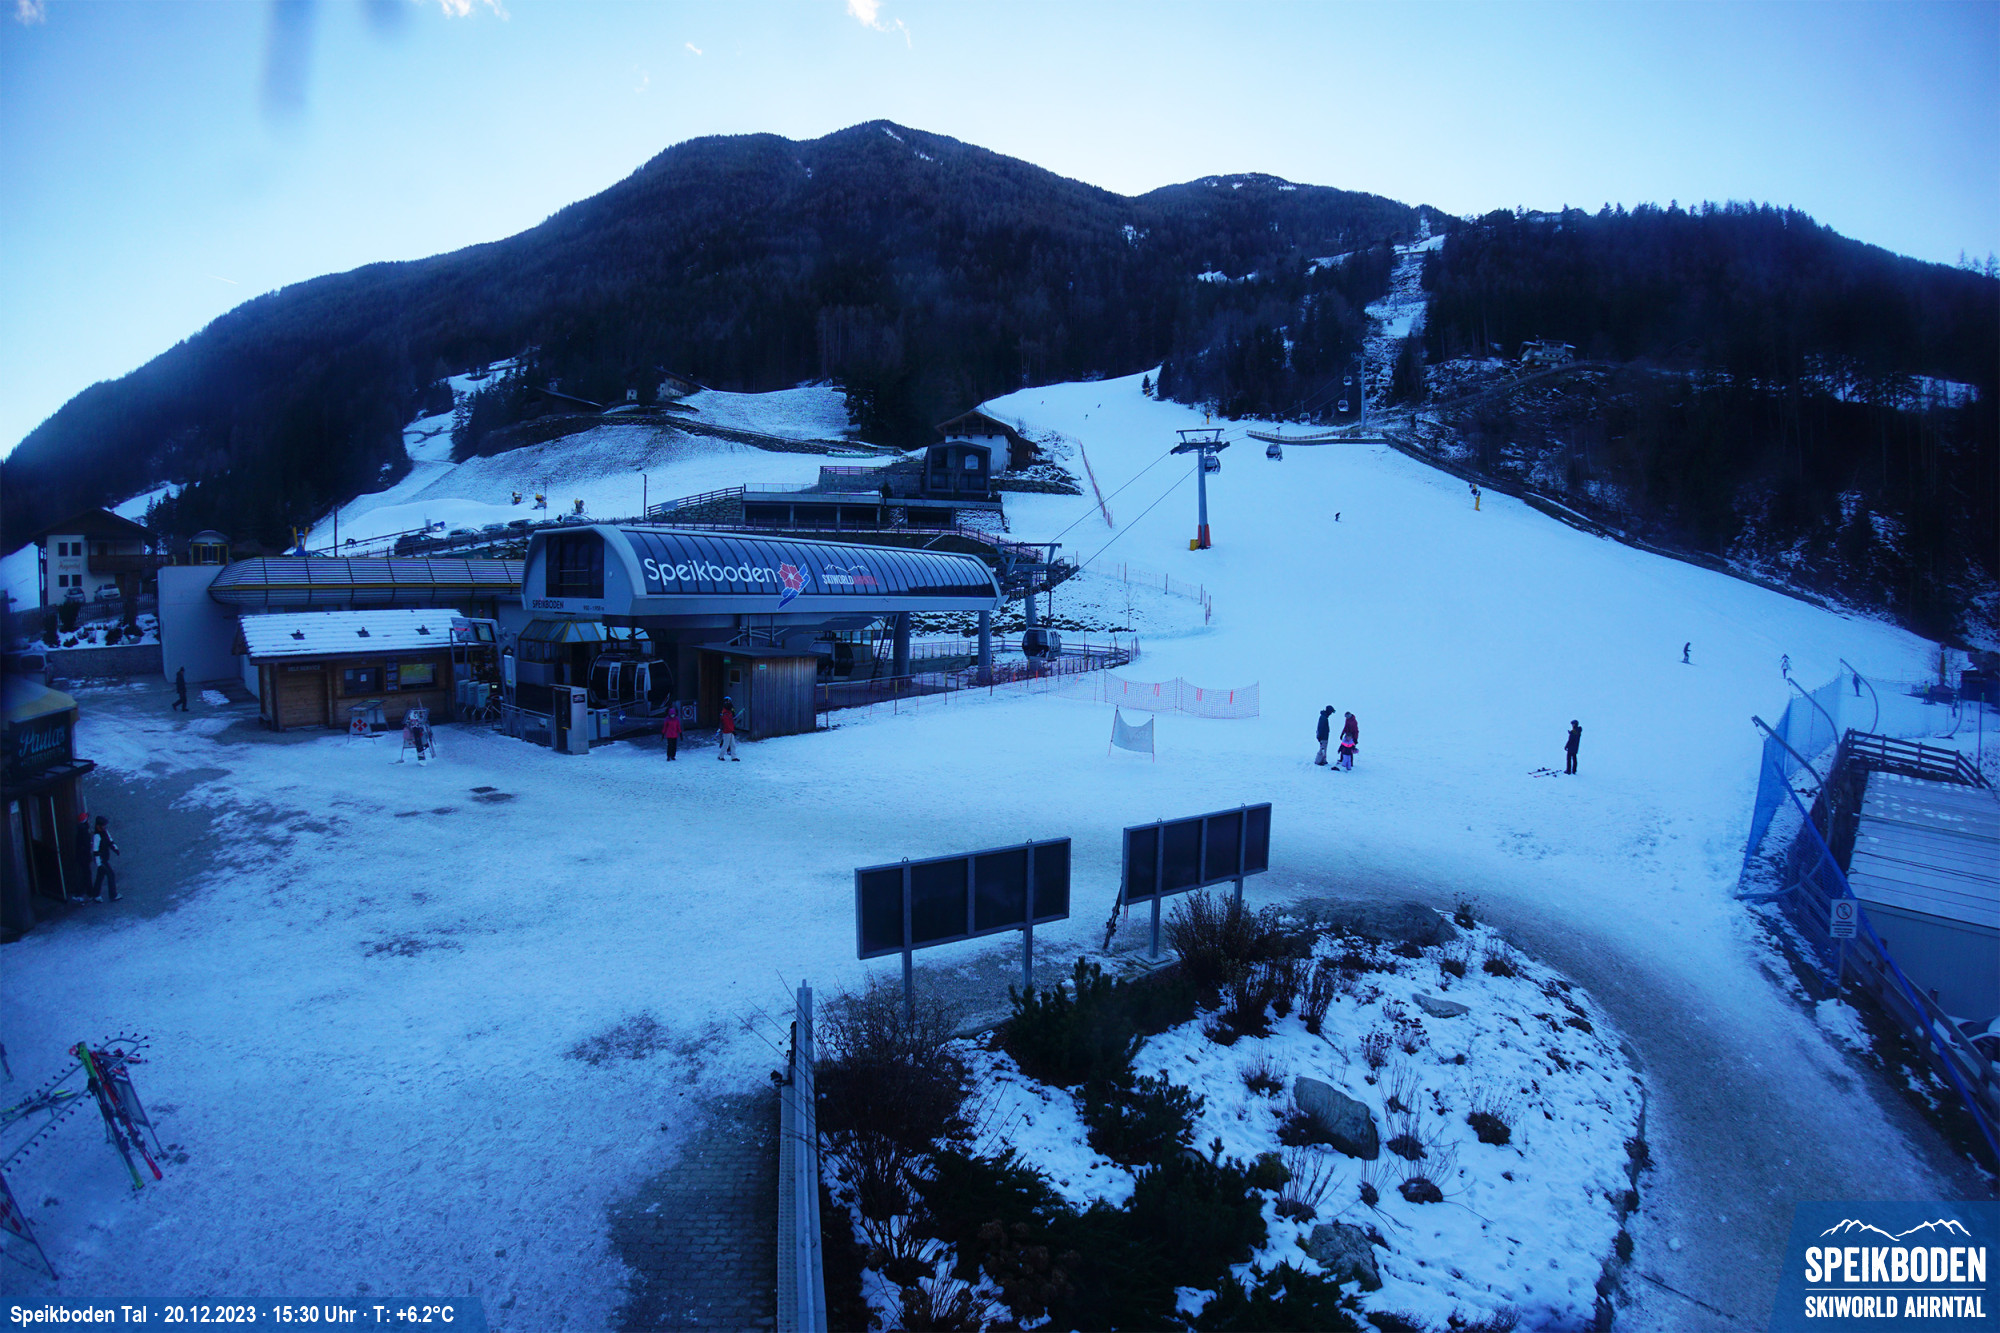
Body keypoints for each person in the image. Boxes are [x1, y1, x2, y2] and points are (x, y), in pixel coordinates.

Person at [91, 815, 120, 902]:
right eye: (103, 825)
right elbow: (95, 851)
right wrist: (99, 864)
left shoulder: (105, 832)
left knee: (100, 877)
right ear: (98, 826)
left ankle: (95, 894)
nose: (105, 827)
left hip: (104, 859)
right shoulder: (97, 836)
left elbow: (110, 841)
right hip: (102, 860)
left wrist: (115, 848)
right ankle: (113, 895)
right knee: (111, 875)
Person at [717, 697, 740, 761]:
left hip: (730, 730)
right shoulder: (725, 713)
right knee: (726, 745)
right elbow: (726, 724)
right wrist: (732, 730)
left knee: (733, 744)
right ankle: (720, 756)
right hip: (727, 731)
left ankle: (733, 757)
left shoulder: (729, 713)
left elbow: (731, 722)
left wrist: (733, 729)